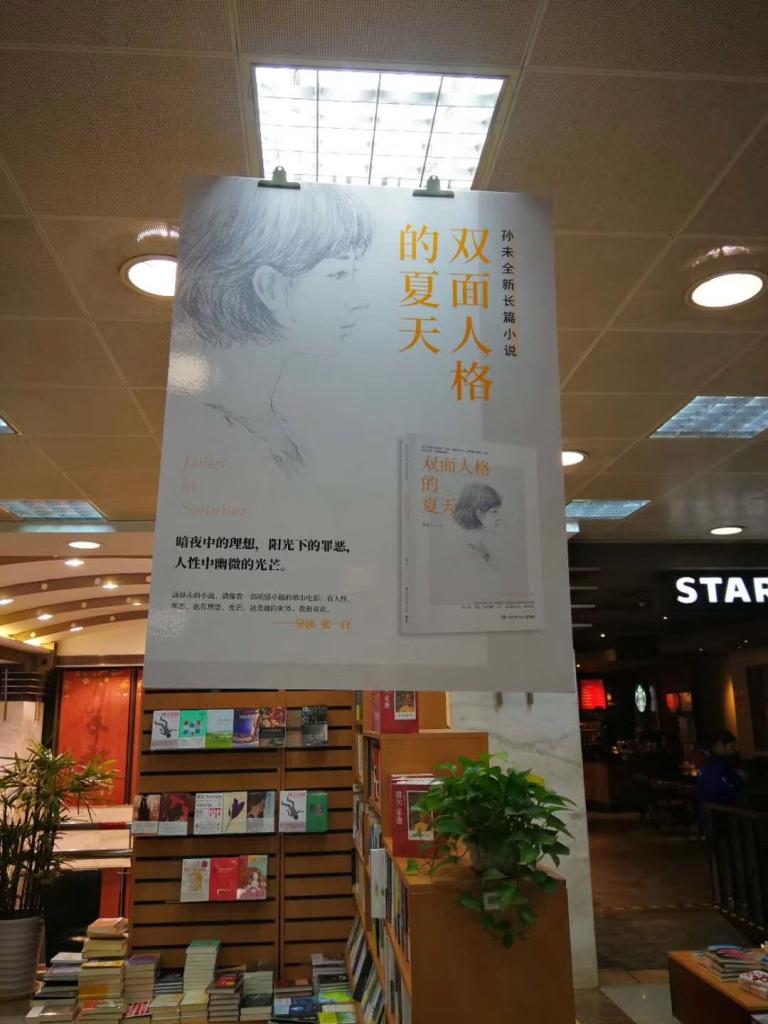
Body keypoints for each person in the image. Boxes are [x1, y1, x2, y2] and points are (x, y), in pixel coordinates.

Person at [174, 178, 373, 476]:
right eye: (339, 275)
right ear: (270, 287)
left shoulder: (275, 425)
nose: (359, 300)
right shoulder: (212, 434)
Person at [697, 730, 745, 807]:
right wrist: (740, 779)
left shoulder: (718, 762)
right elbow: (716, 791)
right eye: (731, 747)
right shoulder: (714, 764)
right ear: (719, 744)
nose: (732, 751)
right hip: (716, 809)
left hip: (714, 807)